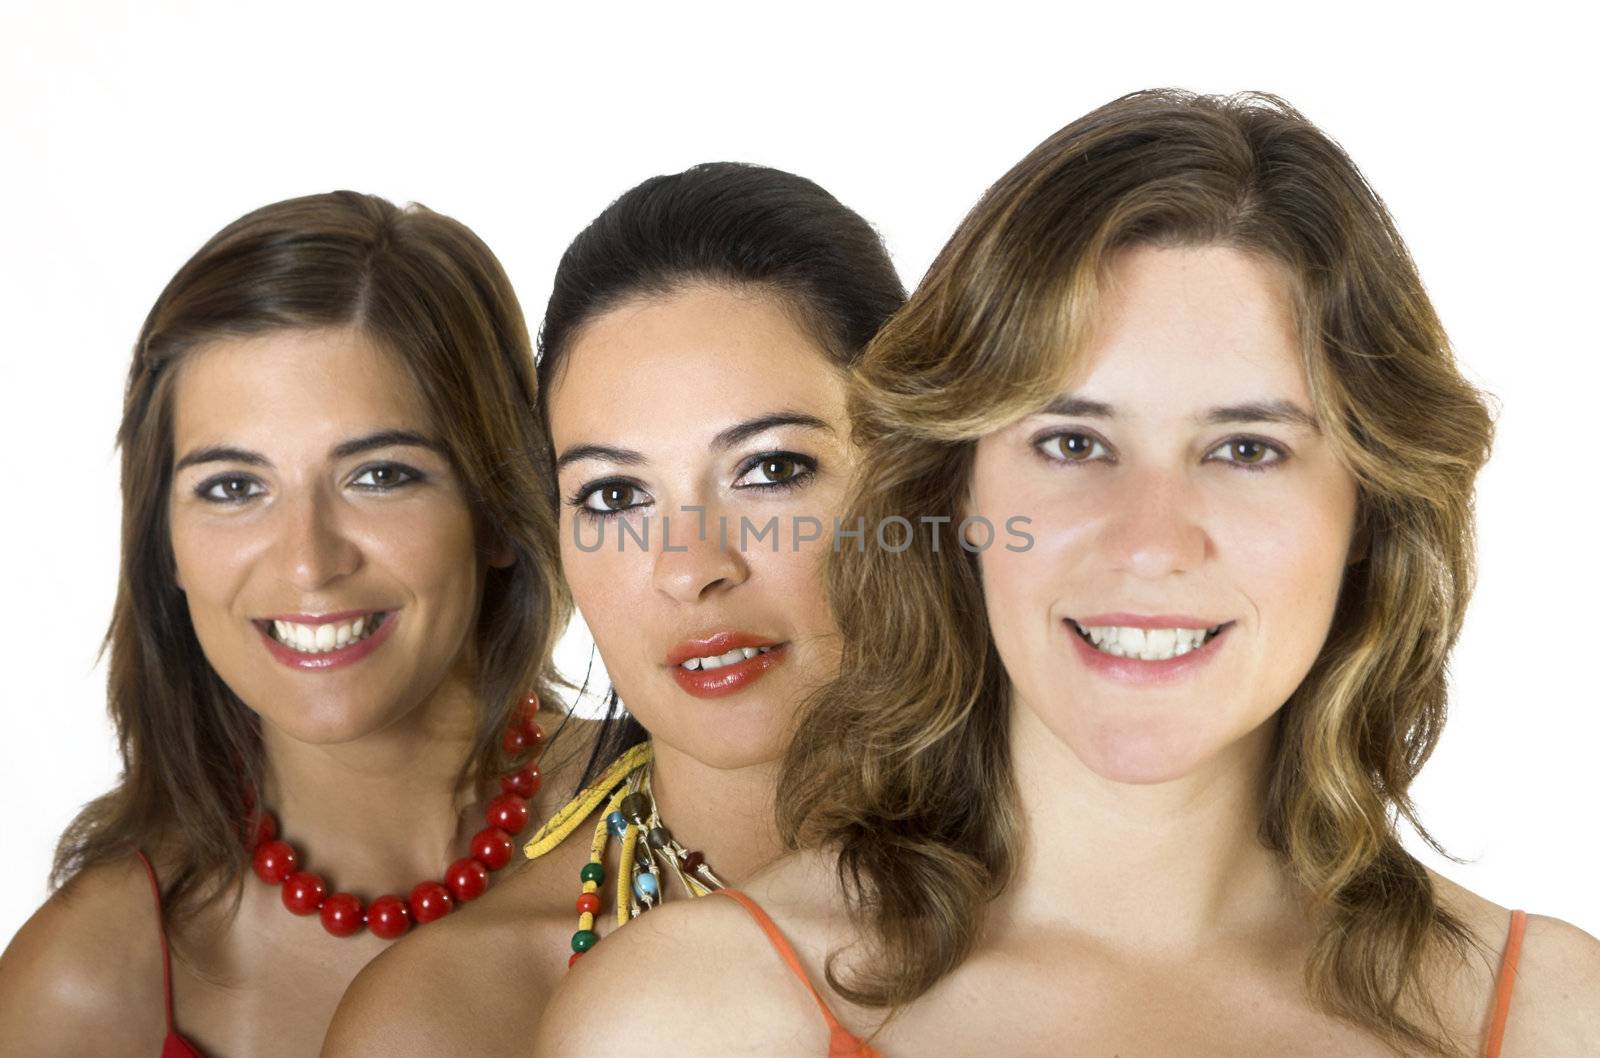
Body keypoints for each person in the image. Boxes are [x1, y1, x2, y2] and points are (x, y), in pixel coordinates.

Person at [533, 92, 1600, 1058]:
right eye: (1074, 444)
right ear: (952, 487)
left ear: (1366, 506)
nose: (1148, 539)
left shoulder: (1558, 1013)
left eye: (1244, 449)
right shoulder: (688, 1018)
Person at [319, 162, 905, 1056]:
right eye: (614, 496)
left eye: (772, 470)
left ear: (911, 473)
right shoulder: (449, 1013)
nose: (690, 568)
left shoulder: (1107, 893)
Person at [0, 191, 576, 1057]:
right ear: (164, 546)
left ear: (497, 508)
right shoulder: (85, 983)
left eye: (379, 476)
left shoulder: (681, 814)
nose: (308, 562)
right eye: (233, 488)